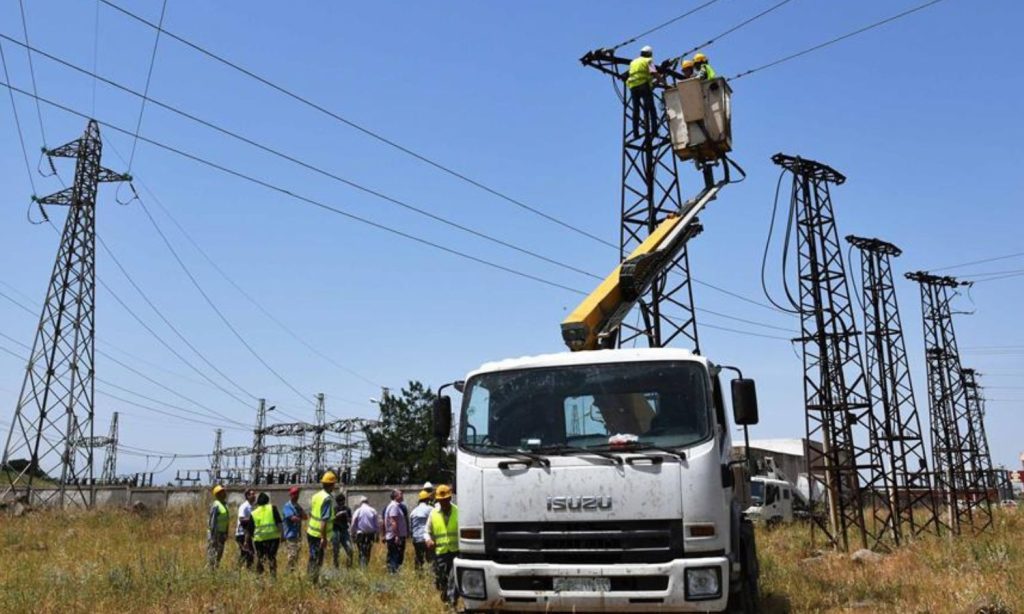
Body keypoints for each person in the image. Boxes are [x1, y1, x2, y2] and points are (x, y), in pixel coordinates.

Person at [425, 484, 459, 604]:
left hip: (456, 551)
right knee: (441, 578)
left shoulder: (458, 511)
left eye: (445, 500)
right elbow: (426, 531)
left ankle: (451, 602)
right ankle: (446, 596)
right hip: (440, 552)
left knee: (453, 578)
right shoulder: (433, 513)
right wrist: (428, 540)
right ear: (438, 500)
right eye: (441, 500)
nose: (443, 502)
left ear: (450, 499)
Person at [307, 471, 337, 584]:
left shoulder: (316, 495)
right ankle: (312, 581)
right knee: (317, 559)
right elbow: (324, 520)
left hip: (311, 531)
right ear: (332, 485)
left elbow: (312, 513)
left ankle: (310, 580)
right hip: (318, 534)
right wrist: (323, 538)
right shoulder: (327, 499)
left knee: (312, 558)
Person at [627, 45, 658, 139]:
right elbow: (653, 73)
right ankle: (654, 131)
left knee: (636, 110)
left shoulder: (633, 62)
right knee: (650, 109)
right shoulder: (648, 60)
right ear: (649, 54)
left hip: (632, 86)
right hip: (643, 85)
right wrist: (663, 81)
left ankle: (636, 133)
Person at [251, 492, 284, 577]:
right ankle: (273, 577)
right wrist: (283, 535)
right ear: (267, 500)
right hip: (273, 538)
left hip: (259, 539)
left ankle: (259, 577)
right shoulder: (272, 508)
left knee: (260, 558)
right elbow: (279, 523)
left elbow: (250, 529)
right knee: (272, 557)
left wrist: (247, 541)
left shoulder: (254, 513)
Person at [349, 495, 380, 568]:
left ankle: (362, 567)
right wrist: (377, 535)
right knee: (368, 551)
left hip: (360, 534)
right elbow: (377, 524)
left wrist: (352, 533)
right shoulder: (373, 510)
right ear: (367, 502)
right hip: (370, 534)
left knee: (361, 551)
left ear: (361, 502)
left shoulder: (358, 511)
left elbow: (353, 523)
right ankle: (365, 565)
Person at [383, 489, 409, 573]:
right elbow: (394, 521)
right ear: (396, 496)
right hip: (395, 536)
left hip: (394, 536)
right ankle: (393, 574)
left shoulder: (395, 506)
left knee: (394, 556)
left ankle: (393, 572)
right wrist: (397, 536)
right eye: (401, 494)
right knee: (396, 556)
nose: (402, 495)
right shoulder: (394, 506)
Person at [282, 486, 307, 572]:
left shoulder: (298, 506)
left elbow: (305, 517)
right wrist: (299, 516)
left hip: (297, 534)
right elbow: (293, 518)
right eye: (295, 494)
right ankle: (288, 571)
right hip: (290, 534)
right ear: (291, 495)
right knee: (292, 554)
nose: (296, 496)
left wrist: (300, 511)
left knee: (296, 555)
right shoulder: (287, 506)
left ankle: (292, 571)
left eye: (297, 494)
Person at [409, 489, 435, 571]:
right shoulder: (430, 509)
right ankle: (432, 573)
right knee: (430, 558)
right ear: (427, 499)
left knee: (419, 558)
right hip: (426, 539)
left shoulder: (413, 512)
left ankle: (419, 575)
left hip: (416, 539)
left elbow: (411, 527)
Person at [206, 485, 229, 570]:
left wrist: (226, 532)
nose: (224, 493)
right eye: (222, 492)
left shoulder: (225, 505)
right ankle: (210, 570)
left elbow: (226, 520)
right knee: (212, 552)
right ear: (218, 494)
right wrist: (213, 535)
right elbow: (212, 521)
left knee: (220, 553)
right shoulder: (216, 505)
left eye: (224, 491)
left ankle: (216, 569)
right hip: (215, 534)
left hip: (222, 533)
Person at [234, 488, 256, 569]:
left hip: (247, 534)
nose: (254, 496)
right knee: (247, 553)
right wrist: (253, 519)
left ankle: (245, 570)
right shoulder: (244, 506)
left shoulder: (251, 506)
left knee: (247, 553)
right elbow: (241, 519)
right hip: (241, 534)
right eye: (252, 494)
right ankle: (239, 570)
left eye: (254, 494)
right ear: (247, 496)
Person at [332, 492, 354, 568]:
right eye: (340, 501)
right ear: (337, 502)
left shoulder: (347, 509)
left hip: (344, 531)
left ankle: (349, 567)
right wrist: (338, 514)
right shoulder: (334, 509)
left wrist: (347, 516)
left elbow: (350, 521)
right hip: (335, 530)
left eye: (343, 501)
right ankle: (336, 566)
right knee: (336, 550)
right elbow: (331, 520)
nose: (342, 503)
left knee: (350, 549)